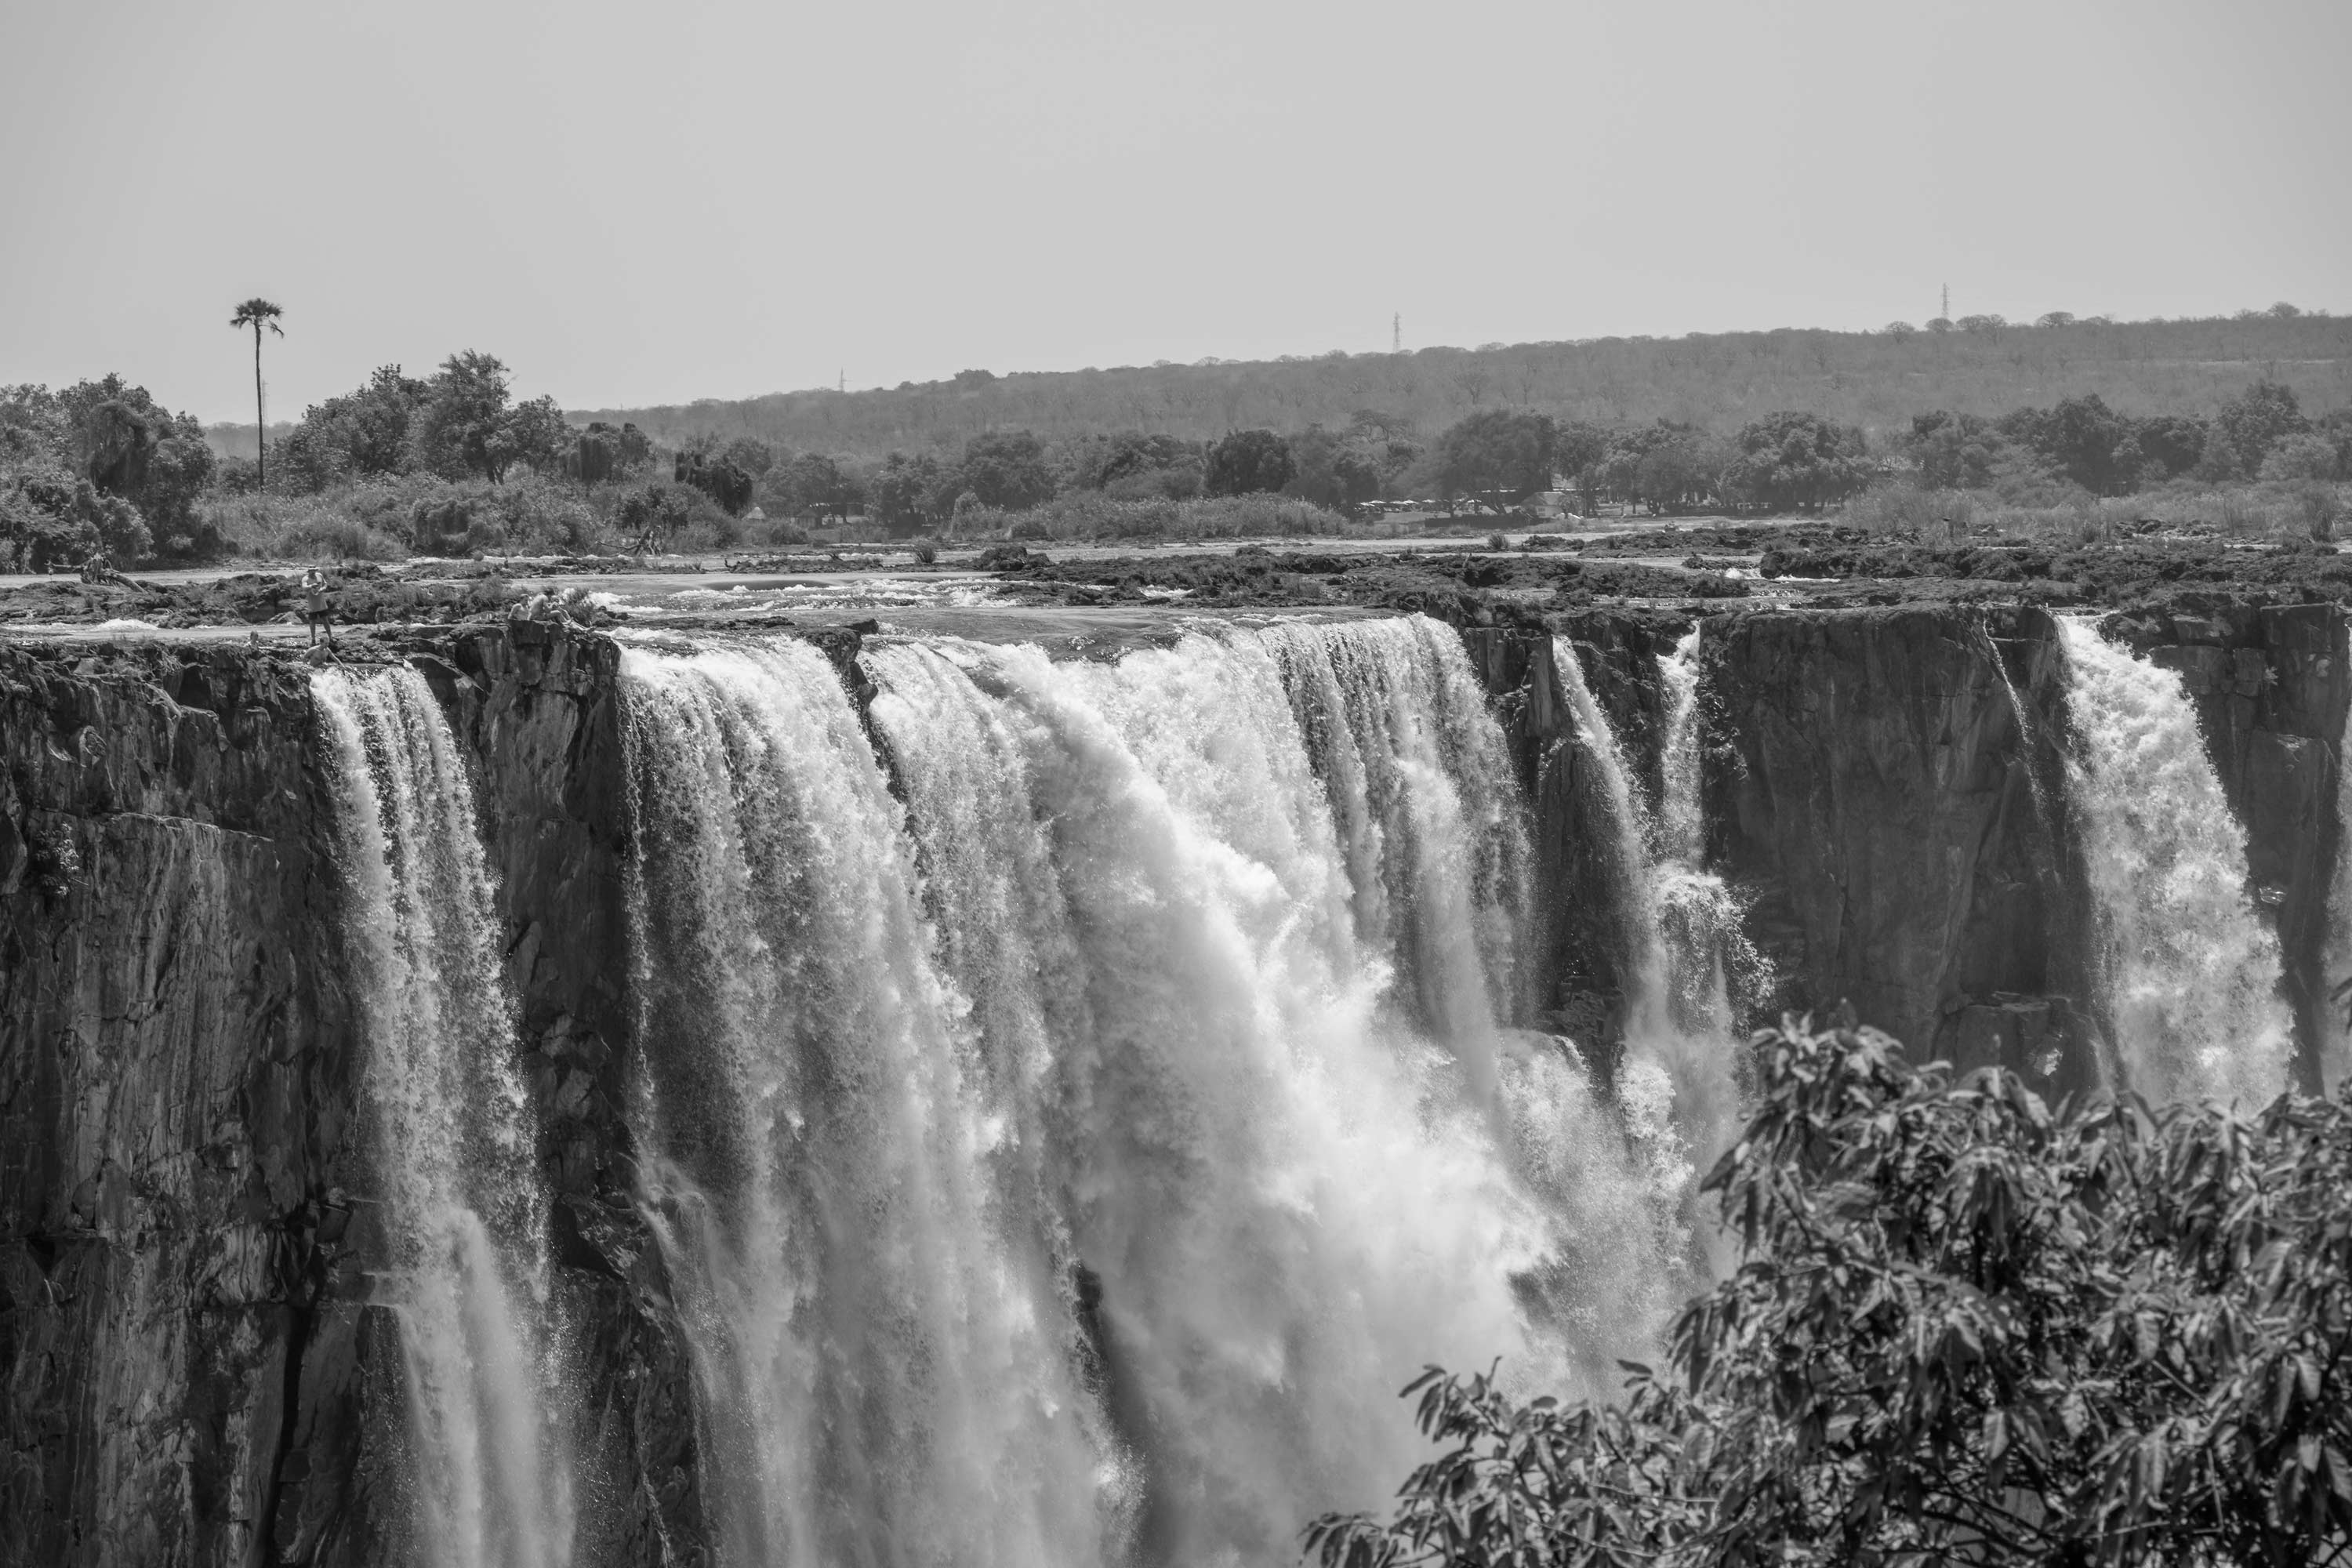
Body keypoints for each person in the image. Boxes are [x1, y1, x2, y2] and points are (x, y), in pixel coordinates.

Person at [302, 568, 334, 645]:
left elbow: (325, 584)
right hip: (312, 605)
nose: (313, 573)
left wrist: (323, 589)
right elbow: (304, 587)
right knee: (312, 622)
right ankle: (313, 639)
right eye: (311, 571)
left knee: (326, 621)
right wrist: (311, 586)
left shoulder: (319, 575)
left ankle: (330, 637)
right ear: (309, 572)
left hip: (321, 604)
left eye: (314, 571)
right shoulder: (305, 579)